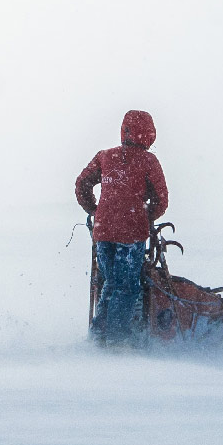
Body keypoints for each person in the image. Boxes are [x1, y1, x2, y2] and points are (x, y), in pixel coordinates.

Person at [75, 110, 169, 343]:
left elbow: (82, 183)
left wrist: (95, 210)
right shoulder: (149, 161)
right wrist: (146, 217)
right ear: (149, 134)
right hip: (131, 233)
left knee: (110, 282)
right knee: (126, 287)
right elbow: (161, 199)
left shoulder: (105, 156)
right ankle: (116, 340)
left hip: (103, 231)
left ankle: (98, 336)